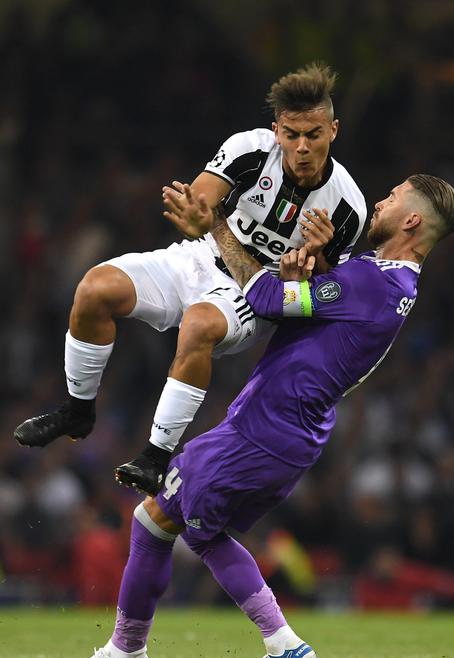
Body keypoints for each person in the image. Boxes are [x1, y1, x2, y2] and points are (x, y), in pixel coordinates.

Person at [57, 173, 454, 658]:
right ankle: (218, 647)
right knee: (174, 522)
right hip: (288, 429)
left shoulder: (374, 281)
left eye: (391, 199)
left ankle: (152, 653)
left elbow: (267, 301)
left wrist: (219, 226)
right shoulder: (387, 280)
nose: (379, 203)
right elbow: (312, 312)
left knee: (166, 523)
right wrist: (303, 272)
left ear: (411, 220)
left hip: (267, 426)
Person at [14, 62, 367, 496]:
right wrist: (195, 212)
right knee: (94, 289)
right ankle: (77, 410)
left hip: (252, 294)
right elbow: (201, 200)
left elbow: (329, 298)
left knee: (199, 324)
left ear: (334, 129)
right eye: (291, 134)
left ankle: (155, 457)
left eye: (313, 135)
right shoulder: (249, 149)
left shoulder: (348, 208)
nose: (301, 147)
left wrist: (317, 262)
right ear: (277, 130)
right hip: (199, 257)